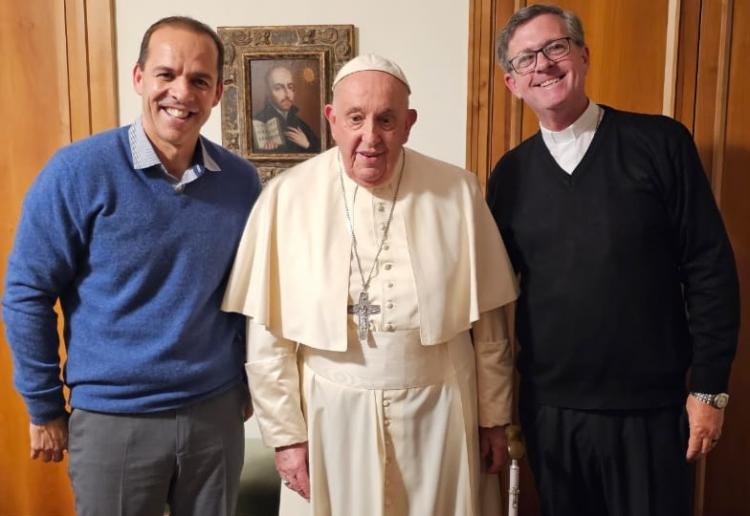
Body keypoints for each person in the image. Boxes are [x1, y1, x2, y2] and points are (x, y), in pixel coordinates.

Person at [223, 54, 518, 515]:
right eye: (355, 119)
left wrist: (494, 419)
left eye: (386, 120)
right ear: (332, 120)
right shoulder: (287, 195)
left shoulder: (458, 192)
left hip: (440, 407)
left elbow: (492, 325)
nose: (370, 138)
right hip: (331, 411)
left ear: (408, 124)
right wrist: (285, 436)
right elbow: (267, 338)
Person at [2, 16, 261, 516]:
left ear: (217, 94)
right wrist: (44, 405)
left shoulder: (241, 183)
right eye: (166, 74)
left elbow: (252, 294)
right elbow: (27, 292)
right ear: (139, 77)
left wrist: (246, 389)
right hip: (114, 420)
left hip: (215, 415)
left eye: (199, 80)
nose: (181, 92)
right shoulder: (77, 173)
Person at [487, 5, 740, 516]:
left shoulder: (661, 143)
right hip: (551, 413)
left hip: (652, 411)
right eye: (526, 59)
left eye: (556, 47)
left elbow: (709, 267)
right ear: (513, 84)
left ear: (583, 53)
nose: (544, 64)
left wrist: (710, 390)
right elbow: (494, 297)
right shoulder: (509, 175)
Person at [253, 64, 321, 153]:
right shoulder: (258, 122)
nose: (287, 94)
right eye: (278, 88)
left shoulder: (301, 124)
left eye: (290, 87)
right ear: (268, 92)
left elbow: (322, 154)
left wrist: (307, 145)